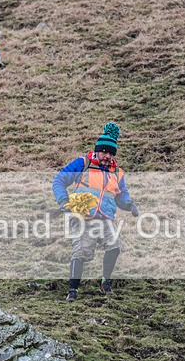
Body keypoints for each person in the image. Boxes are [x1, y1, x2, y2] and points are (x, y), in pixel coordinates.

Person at [52, 123, 139, 302]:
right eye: (104, 152)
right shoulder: (83, 163)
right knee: (81, 252)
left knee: (115, 245)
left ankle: (105, 283)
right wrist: (63, 201)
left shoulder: (118, 173)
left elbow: (121, 196)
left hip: (105, 217)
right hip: (83, 216)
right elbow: (59, 180)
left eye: (111, 153)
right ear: (97, 151)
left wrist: (129, 204)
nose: (107, 156)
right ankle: (73, 291)